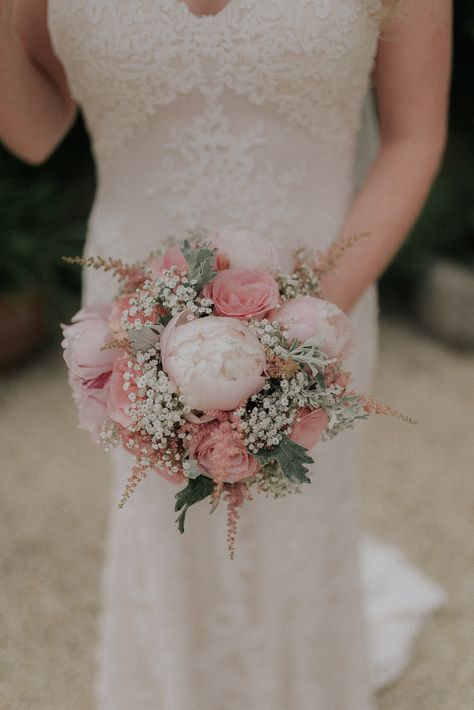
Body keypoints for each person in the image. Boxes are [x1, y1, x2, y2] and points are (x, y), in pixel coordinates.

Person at [0, 1, 452, 708]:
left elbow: (414, 135)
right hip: (133, 319)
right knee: (162, 530)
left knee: (299, 518)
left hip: (319, 303)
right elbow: (36, 129)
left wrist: (294, 329)